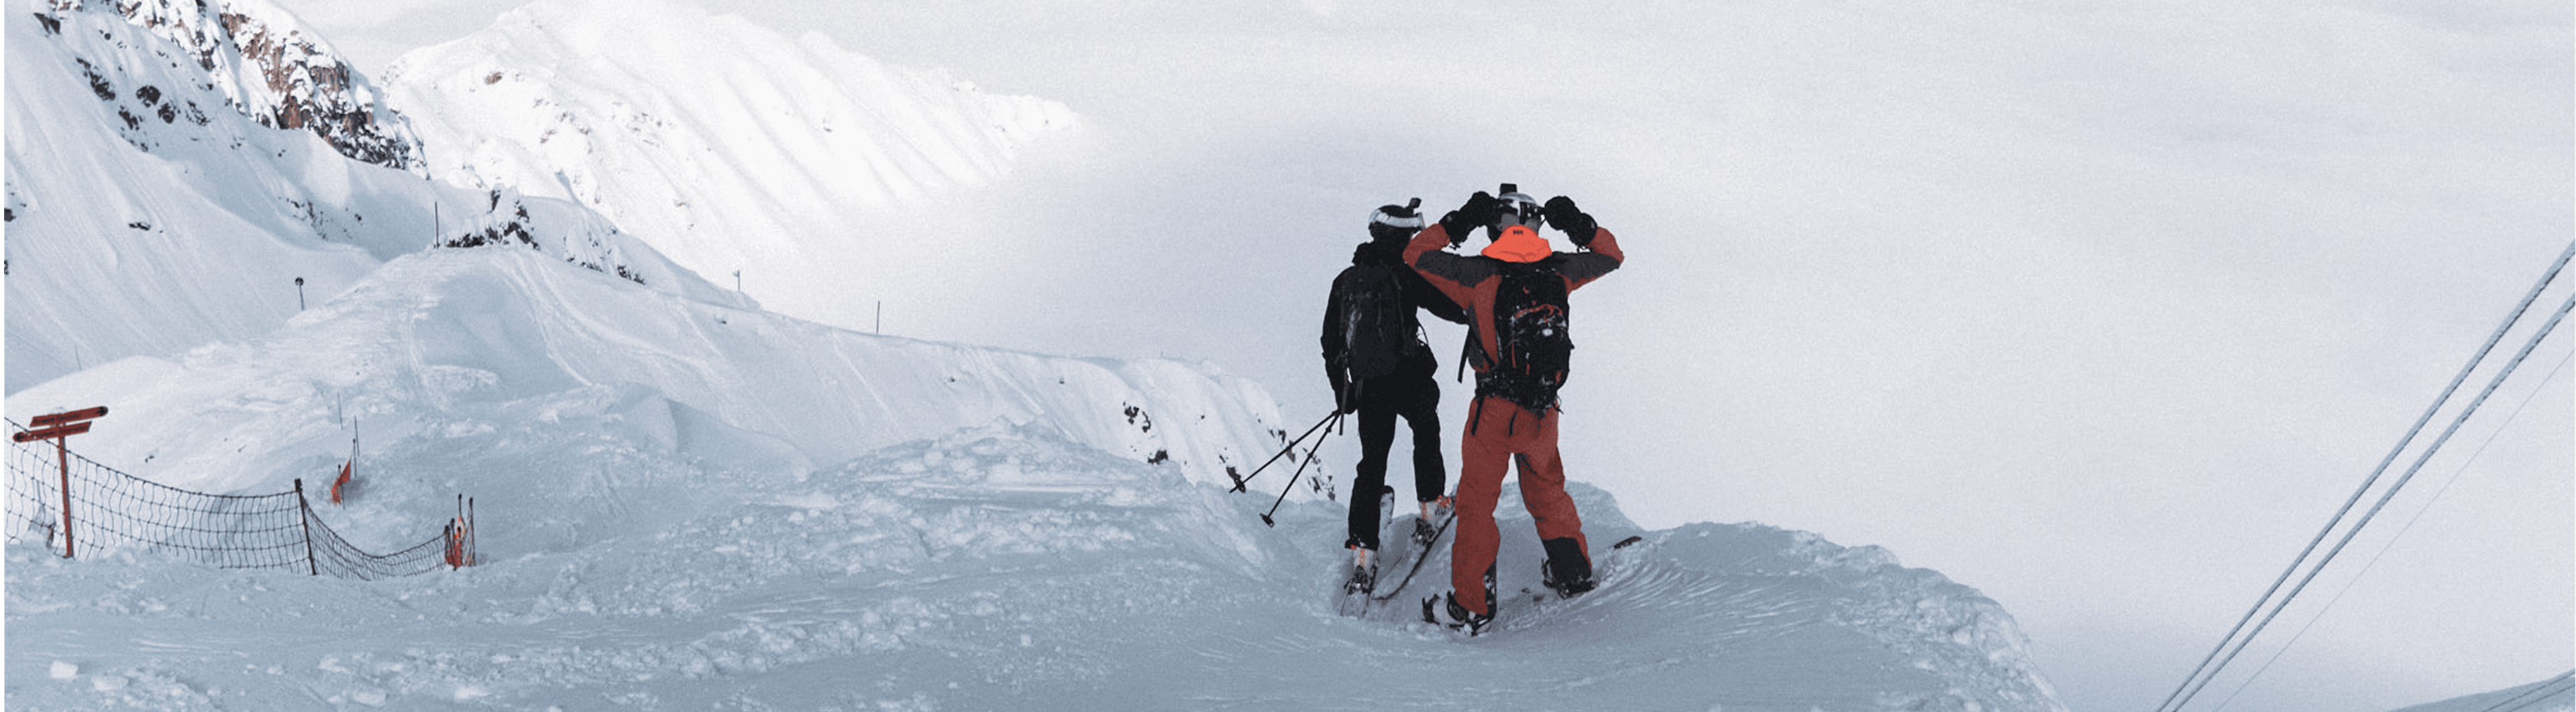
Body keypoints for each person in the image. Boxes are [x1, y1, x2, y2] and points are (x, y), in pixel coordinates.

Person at [1403, 185, 1623, 633]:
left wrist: (1460, 219)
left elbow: (1416, 253)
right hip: (1543, 411)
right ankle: (1573, 573)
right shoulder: (1559, 270)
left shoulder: (1477, 273)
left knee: (1477, 505)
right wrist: (1576, 222)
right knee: (1548, 490)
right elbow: (1611, 255)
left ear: (1498, 223)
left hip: (1494, 412)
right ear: (1536, 223)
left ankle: (1472, 606)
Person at [1322, 199, 1468, 594]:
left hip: (1368, 387)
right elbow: (1450, 308)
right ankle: (1431, 506)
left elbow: (1329, 341)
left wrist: (1343, 392)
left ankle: (1363, 555)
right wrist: (1482, 308)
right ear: (1401, 236)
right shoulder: (1407, 274)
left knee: (1372, 465)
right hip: (1409, 380)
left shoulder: (1346, 280)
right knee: (1426, 432)